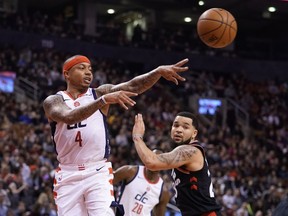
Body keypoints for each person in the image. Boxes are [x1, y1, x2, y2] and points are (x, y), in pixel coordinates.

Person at [42, 55, 189, 216]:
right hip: (68, 173)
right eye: (81, 68)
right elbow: (68, 117)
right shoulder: (54, 101)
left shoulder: (99, 93)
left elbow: (133, 86)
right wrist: (103, 101)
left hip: (96, 170)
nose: (88, 72)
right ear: (66, 74)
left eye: (90, 69)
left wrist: (157, 72)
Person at [132, 112, 222, 216]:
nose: (179, 130)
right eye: (176, 125)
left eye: (185, 127)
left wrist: (137, 137)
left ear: (194, 133)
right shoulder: (181, 153)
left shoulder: (190, 151)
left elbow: (151, 162)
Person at [113, 149, 170, 216]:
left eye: (159, 161)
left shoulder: (163, 191)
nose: (155, 163)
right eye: (153, 158)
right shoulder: (130, 172)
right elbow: (105, 183)